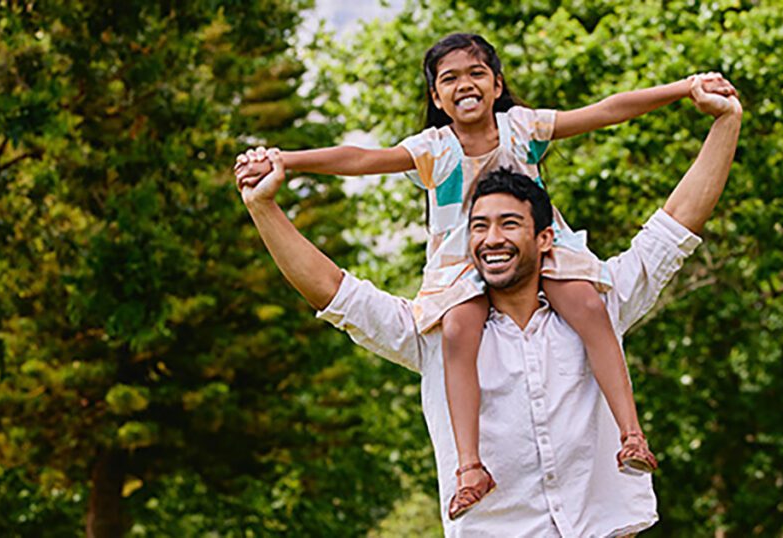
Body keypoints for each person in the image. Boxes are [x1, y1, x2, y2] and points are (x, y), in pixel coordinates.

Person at [235, 33, 737, 519]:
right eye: (449, 78)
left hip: (554, 256)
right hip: (458, 267)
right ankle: (470, 467)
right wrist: (285, 162)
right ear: (436, 97)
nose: (465, 85)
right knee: (457, 332)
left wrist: (685, 89)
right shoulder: (434, 148)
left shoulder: (523, 127)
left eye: (476, 73)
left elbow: (606, 111)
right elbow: (362, 160)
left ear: (497, 84)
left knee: (590, 308)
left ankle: (632, 435)